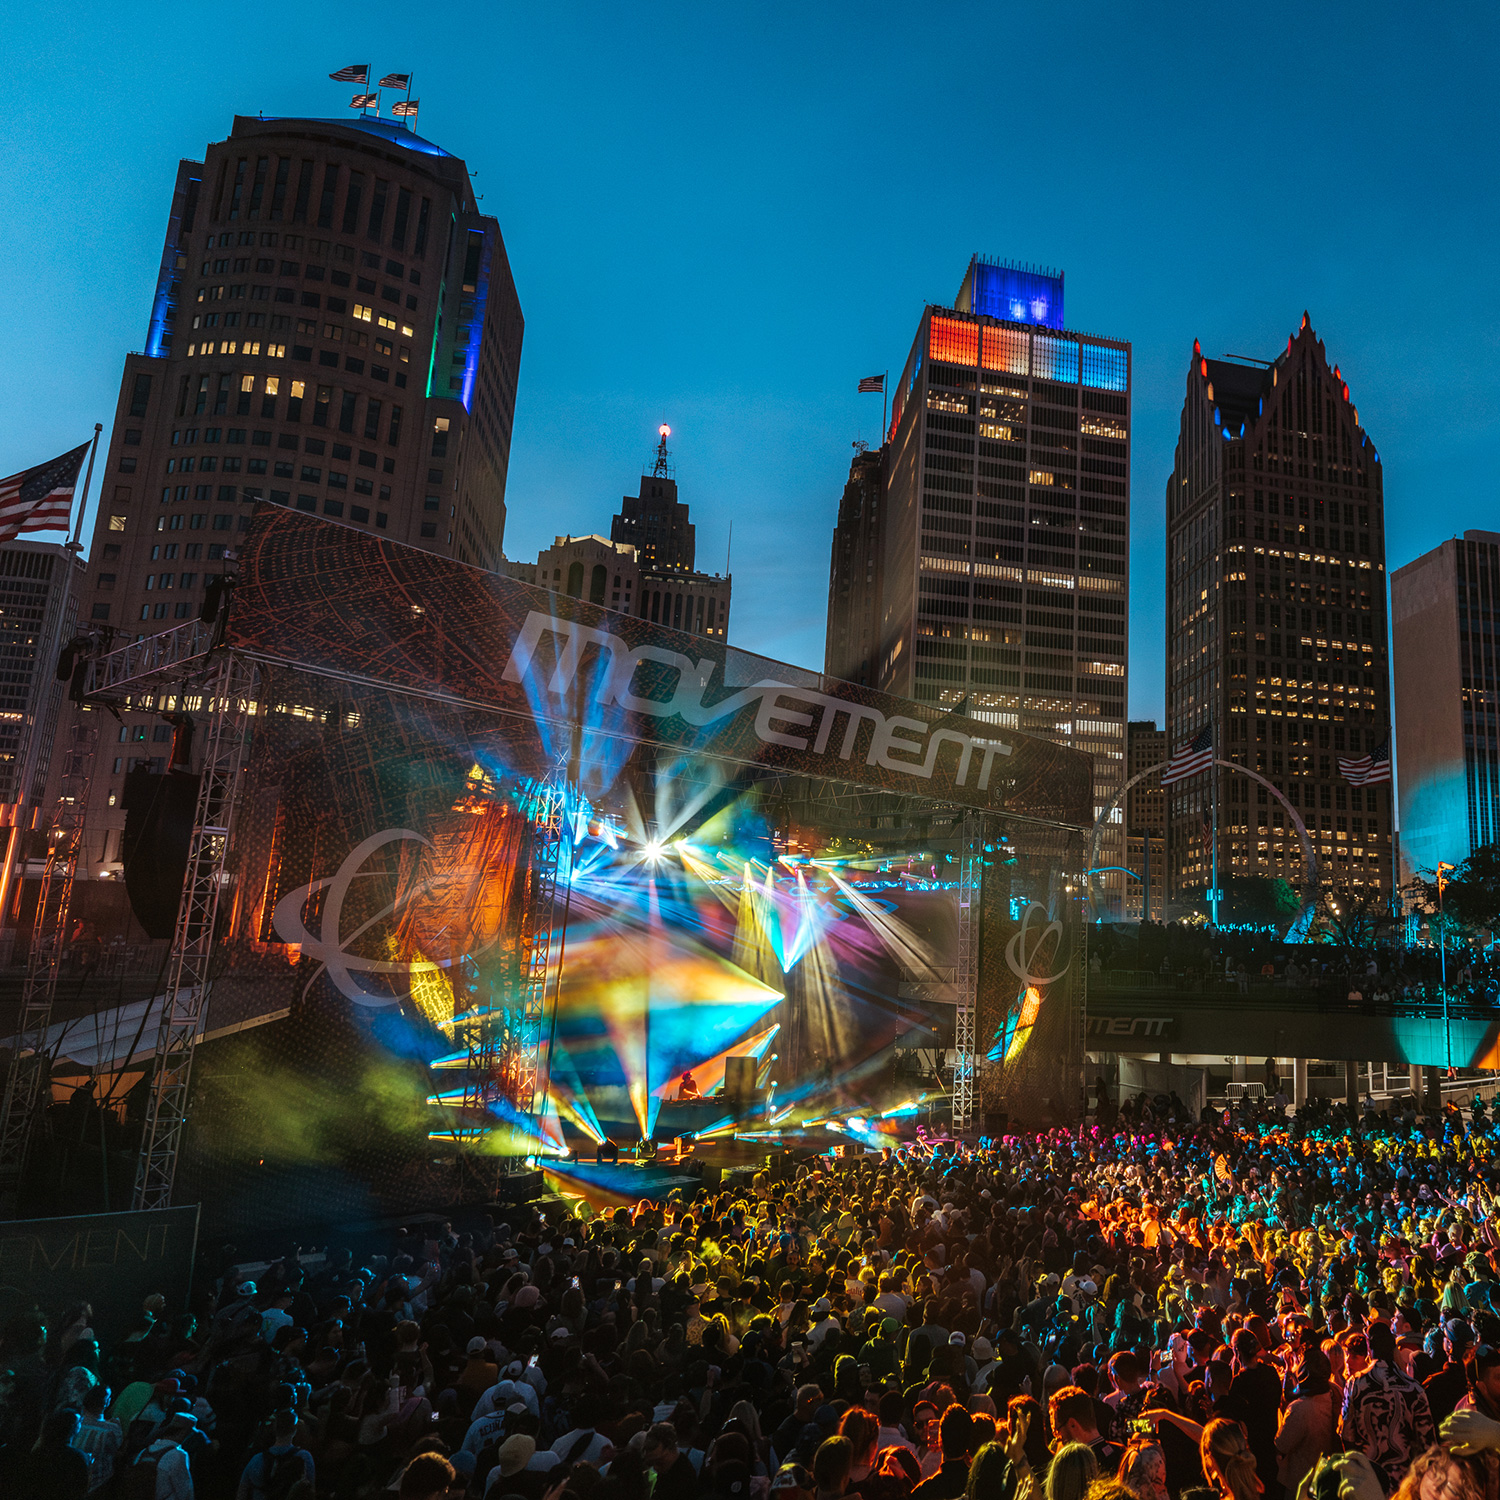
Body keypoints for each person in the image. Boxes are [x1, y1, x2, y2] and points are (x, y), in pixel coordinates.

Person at [1341, 1321, 1436, 1492]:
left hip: (1367, 1481)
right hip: (1405, 1485)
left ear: (1369, 1348)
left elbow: (1346, 1435)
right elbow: (1427, 1444)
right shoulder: (1413, 1387)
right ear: (1393, 1348)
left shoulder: (1355, 1384)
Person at [236, 1409, 314, 1500]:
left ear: (275, 1429)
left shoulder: (256, 1459)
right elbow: (310, 1491)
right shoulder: (304, 1457)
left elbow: (241, 1493)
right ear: (294, 1430)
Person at [73, 1382, 123, 1494]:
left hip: (71, 1476)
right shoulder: (112, 1428)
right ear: (106, 1402)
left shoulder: (74, 1422)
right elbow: (117, 1450)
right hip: (98, 1481)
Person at [645, 1421, 698, 1500]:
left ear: (671, 1448)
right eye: (651, 1463)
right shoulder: (667, 1470)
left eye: (659, 1462)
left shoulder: (683, 1482)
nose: (655, 1467)